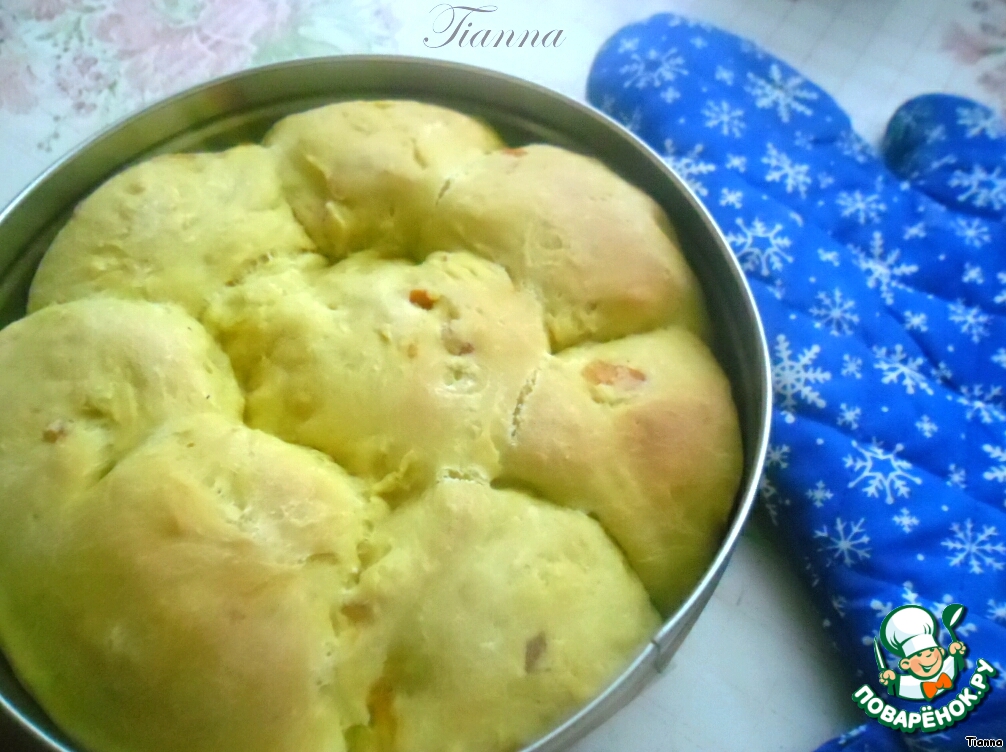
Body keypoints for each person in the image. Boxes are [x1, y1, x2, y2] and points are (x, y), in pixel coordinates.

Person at [878, 604, 966, 701]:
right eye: (919, 655)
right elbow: (896, 684)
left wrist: (956, 652)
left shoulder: (948, 667)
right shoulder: (909, 685)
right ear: (906, 664)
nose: (928, 657)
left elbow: (956, 661)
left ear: (941, 651)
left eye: (932, 650)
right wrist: (890, 680)